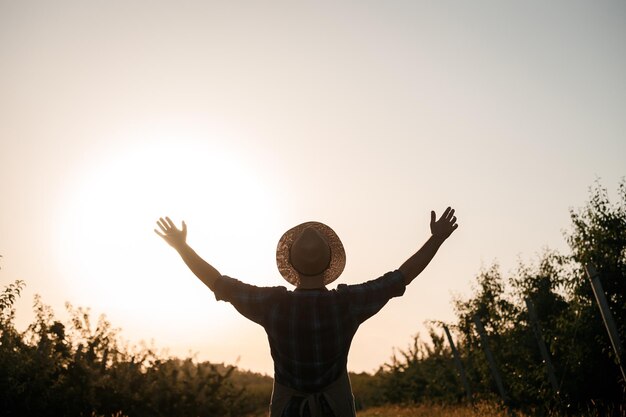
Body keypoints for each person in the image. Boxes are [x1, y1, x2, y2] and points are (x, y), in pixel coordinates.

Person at [155, 207, 458, 417]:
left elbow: (219, 282)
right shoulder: (347, 303)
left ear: (291, 263)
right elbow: (400, 278)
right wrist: (437, 239)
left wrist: (182, 247)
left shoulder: (271, 304)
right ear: (329, 265)